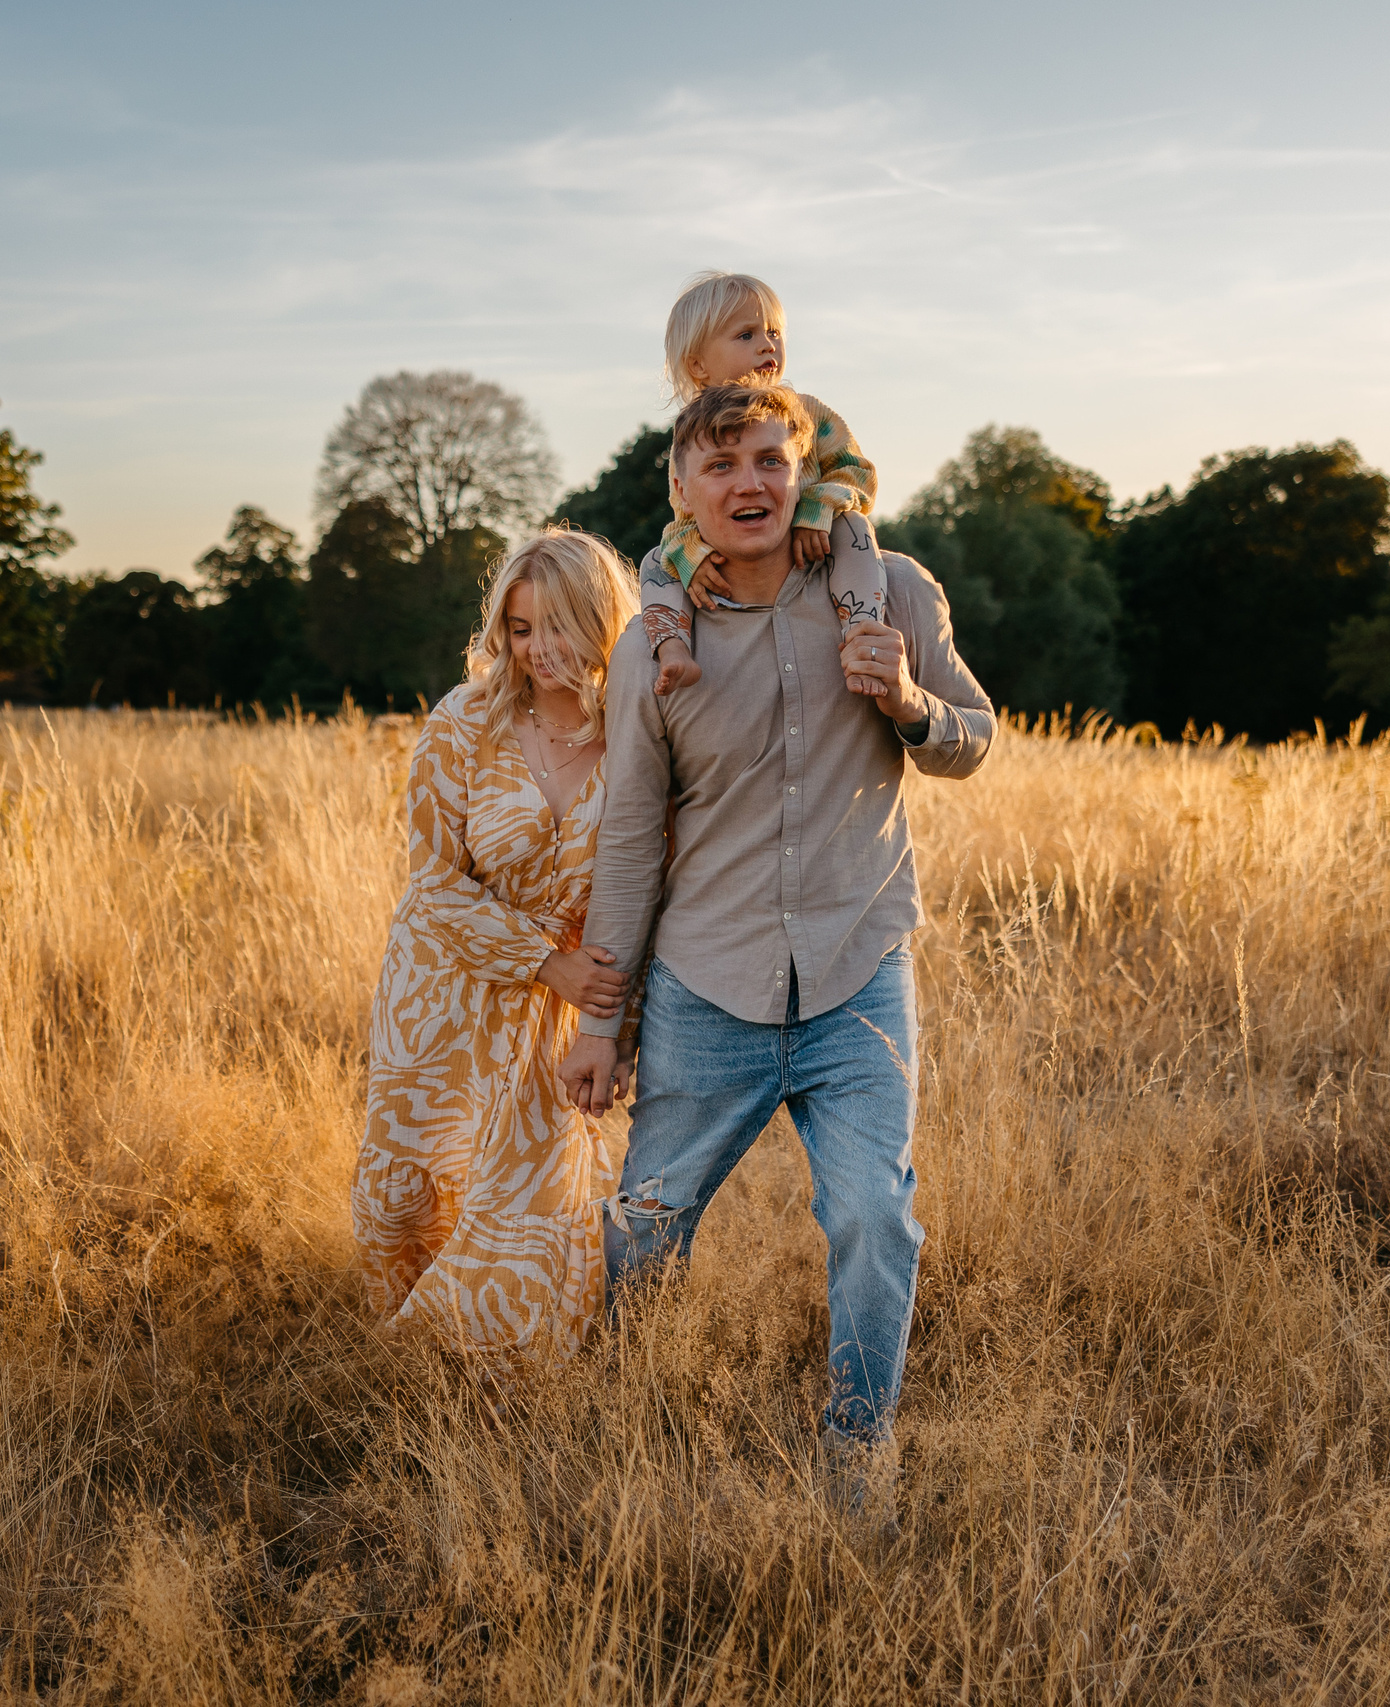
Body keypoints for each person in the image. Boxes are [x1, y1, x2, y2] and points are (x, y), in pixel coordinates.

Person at [559, 382, 995, 1470]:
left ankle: (858, 1453)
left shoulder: (887, 591)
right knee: (645, 1227)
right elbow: (627, 835)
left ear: (802, 474)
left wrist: (908, 702)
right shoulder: (655, 643)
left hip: (859, 972)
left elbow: (973, 738)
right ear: (680, 491)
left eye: (768, 459)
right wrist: (604, 1021)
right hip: (709, 980)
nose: (747, 484)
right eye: (721, 466)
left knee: (872, 1220)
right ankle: (631, 1439)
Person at [354, 527, 643, 1356]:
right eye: (520, 629)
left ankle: (500, 1399)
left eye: (557, 626)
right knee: (405, 1205)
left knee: (525, 1218)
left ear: (599, 622)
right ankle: (402, 1379)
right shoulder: (464, 721)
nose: (539, 649)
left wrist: (616, 1030)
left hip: (550, 1025)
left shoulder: (638, 738)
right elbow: (433, 883)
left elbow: (647, 891)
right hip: (439, 997)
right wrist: (546, 961)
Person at [640, 272, 889, 700]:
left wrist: (817, 508)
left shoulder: (806, 413)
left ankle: (863, 628)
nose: (767, 345)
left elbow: (858, 472)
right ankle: (674, 649)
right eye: (746, 334)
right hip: (741, 568)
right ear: (699, 365)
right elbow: (684, 518)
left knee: (855, 528)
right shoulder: (693, 437)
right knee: (656, 562)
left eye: (774, 332)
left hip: (821, 548)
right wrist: (692, 559)